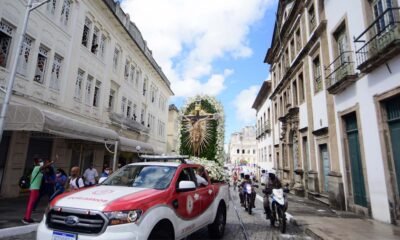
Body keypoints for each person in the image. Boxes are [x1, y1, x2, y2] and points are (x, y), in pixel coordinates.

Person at [22, 158, 54, 224]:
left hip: (36, 189)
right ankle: (26, 218)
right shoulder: (37, 168)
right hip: (34, 189)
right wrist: (52, 162)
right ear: (37, 163)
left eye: (41, 161)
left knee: (32, 203)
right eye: (40, 162)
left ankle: (27, 217)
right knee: (31, 204)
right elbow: (45, 166)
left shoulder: (39, 170)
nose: (41, 162)